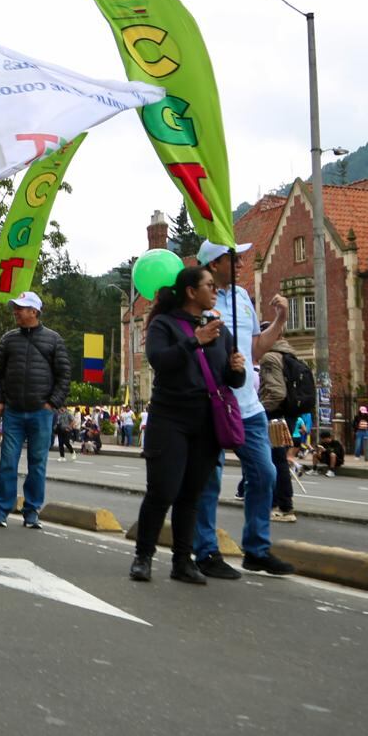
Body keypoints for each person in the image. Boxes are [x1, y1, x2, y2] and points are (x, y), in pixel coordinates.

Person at [129, 266, 247, 584]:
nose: (215, 290)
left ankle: (183, 561)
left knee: (191, 496)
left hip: (206, 422)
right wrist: (194, 342)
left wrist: (238, 369)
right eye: (209, 285)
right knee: (162, 491)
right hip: (170, 419)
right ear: (191, 292)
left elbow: (231, 380)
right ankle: (143, 557)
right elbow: (160, 361)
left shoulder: (220, 330)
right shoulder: (164, 325)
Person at [192, 242, 294, 578]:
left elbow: (255, 349)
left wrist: (279, 320)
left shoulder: (242, 296)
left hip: (247, 405)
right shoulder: (197, 299)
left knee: (265, 472)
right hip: (211, 402)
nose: (240, 262)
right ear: (214, 263)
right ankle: (206, 551)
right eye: (232, 258)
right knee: (210, 478)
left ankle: (257, 550)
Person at [0, 291, 70, 529]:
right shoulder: (8, 339)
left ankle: (32, 511)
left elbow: (64, 375)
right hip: (13, 411)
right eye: (15, 307)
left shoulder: (54, 340)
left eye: (20, 308)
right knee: (8, 462)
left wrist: (52, 403)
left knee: (37, 463)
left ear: (34, 311)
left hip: (41, 413)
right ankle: (1, 511)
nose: (16, 312)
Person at [258, 331, 300, 522]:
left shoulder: (269, 357)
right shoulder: (290, 355)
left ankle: (285, 507)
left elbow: (276, 393)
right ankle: (277, 502)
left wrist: (261, 410)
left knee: (277, 461)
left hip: (275, 415)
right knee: (278, 459)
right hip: (289, 416)